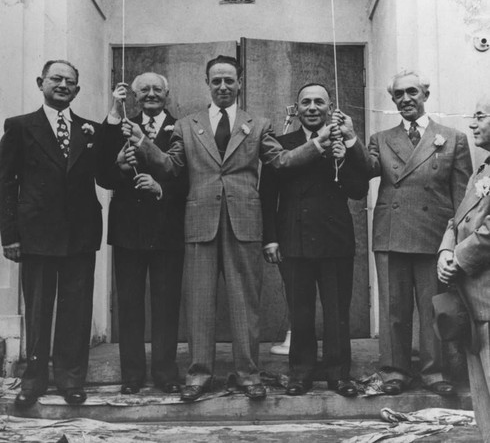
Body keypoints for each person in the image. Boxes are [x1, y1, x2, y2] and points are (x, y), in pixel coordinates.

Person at [120, 55, 339, 402]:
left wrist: (317, 143)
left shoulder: (259, 124)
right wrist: (143, 144)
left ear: (239, 84)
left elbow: (280, 162)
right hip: (199, 224)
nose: (223, 86)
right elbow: (172, 166)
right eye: (216, 81)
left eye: (229, 81)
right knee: (199, 304)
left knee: (244, 304)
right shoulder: (187, 125)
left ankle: (249, 374)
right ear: (207, 84)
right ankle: (198, 375)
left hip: (244, 224)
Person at [335, 69, 472, 396]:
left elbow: (462, 196)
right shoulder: (381, 139)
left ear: (425, 94)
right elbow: (368, 169)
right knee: (393, 309)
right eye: (399, 94)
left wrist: (456, 243)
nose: (406, 99)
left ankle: (434, 372)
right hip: (391, 232)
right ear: (393, 99)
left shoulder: (453, 138)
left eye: (412, 92)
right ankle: (394, 371)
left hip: (434, 235)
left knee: (431, 308)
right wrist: (352, 138)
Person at [0, 60, 102, 406]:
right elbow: (5, 184)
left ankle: (71, 379)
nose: (62, 85)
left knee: (76, 309)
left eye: (69, 81)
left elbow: (103, 176)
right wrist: (9, 235)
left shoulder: (89, 129)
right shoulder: (19, 127)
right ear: (40, 82)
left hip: (80, 235)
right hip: (36, 236)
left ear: (77, 89)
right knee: (39, 309)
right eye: (55, 79)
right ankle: (34, 380)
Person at [260, 83, 369, 396]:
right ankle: (301, 374)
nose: (311, 107)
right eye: (305, 102)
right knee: (300, 310)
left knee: (337, 312)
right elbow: (267, 195)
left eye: (318, 102)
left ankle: (339, 375)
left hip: (335, 241)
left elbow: (358, 191)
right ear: (296, 108)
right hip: (293, 241)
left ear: (329, 107)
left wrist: (345, 159)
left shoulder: (342, 141)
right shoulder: (281, 144)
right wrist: (271, 239)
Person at [96, 73, 187, 395]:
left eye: (157, 89)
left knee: (166, 304)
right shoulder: (119, 126)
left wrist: (162, 188)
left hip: (167, 233)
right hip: (128, 232)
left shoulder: (184, 127)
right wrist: (120, 167)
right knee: (130, 304)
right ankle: (132, 376)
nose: (151, 94)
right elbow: (103, 176)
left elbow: (191, 177)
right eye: (144, 90)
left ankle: (165, 373)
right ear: (133, 95)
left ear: (167, 93)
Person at [438, 97, 490, 443]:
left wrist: (457, 257)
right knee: (482, 394)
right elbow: (458, 218)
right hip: (474, 301)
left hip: (486, 295)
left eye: (480, 117)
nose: (472, 124)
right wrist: (444, 249)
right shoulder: (483, 169)